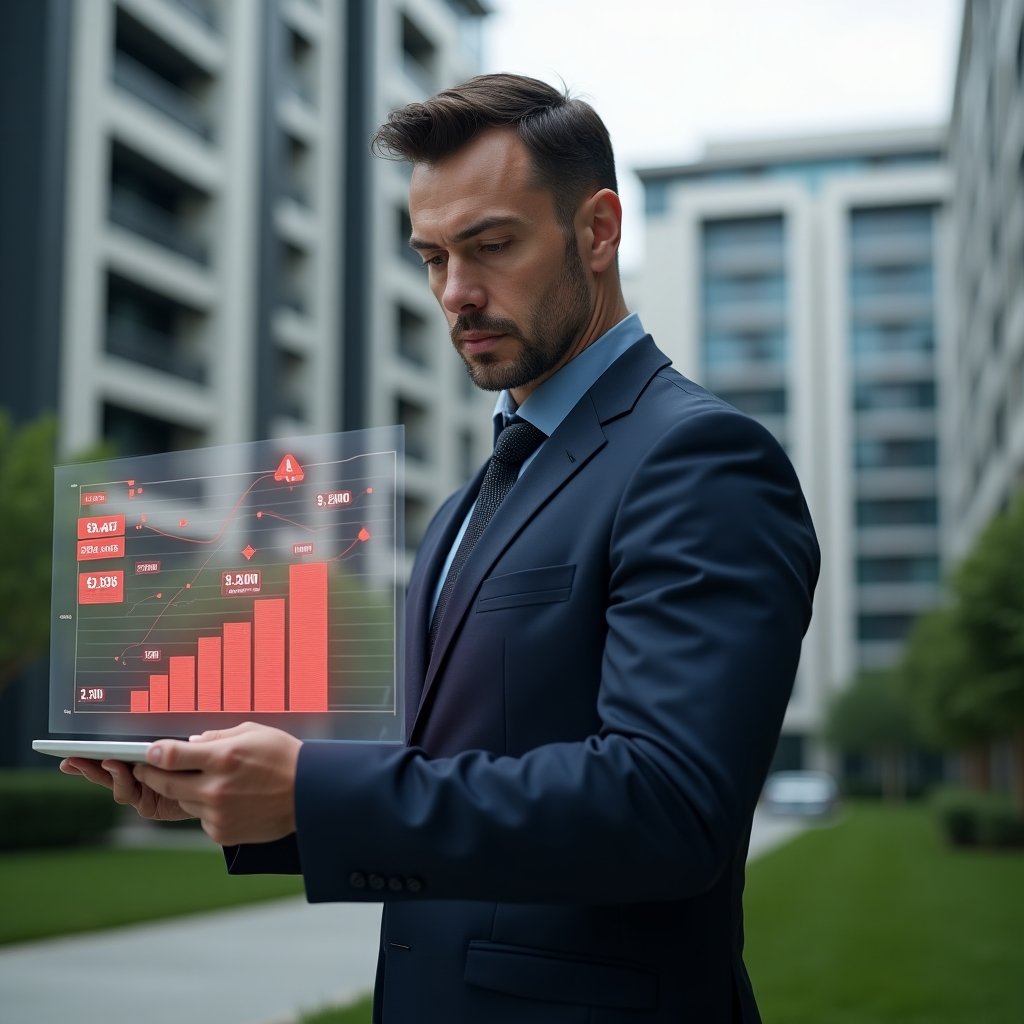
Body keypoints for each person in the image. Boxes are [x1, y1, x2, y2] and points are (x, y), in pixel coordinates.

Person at [64, 73, 820, 1022]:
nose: (456, 293)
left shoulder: (700, 458)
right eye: (431, 257)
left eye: (492, 246)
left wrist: (315, 793)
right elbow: (458, 768)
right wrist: (235, 796)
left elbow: (667, 804)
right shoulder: (469, 502)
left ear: (598, 230)